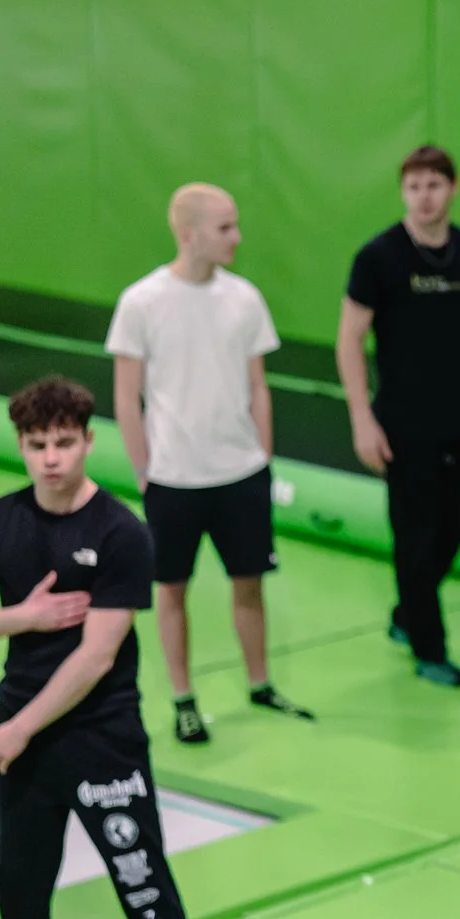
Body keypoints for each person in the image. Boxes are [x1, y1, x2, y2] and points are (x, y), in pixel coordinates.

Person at [0, 377, 230, 919]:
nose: (50, 458)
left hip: (101, 737)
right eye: (37, 445)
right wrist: (24, 618)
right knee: (22, 882)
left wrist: (18, 729)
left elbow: (97, 655)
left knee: (143, 881)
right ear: (21, 445)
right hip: (23, 737)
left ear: (88, 440)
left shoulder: (120, 532)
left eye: (64, 442)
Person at [107, 184, 313, 744]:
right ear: (188, 232)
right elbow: (127, 396)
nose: (237, 238)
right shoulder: (142, 303)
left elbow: (257, 385)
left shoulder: (244, 299)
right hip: (175, 479)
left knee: (250, 582)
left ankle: (261, 682)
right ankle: (183, 698)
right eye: (225, 228)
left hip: (241, 472)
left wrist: (262, 458)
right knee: (171, 589)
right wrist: (144, 469)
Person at [335, 146, 460, 688]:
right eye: (413, 186)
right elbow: (349, 340)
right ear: (403, 193)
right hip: (402, 421)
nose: (423, 196)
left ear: (453, 187)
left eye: (433, 185)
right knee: (414, 535)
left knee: (450, 532)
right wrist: (362, 420)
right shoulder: (378, 258)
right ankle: (430, 650)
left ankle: (406, 613)